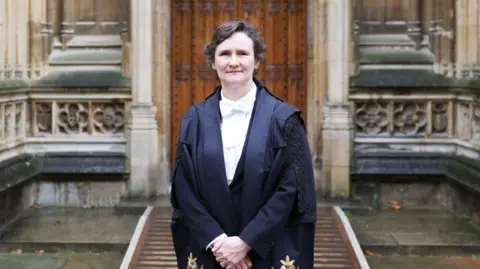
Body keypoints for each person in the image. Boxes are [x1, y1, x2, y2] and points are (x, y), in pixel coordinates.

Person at [170, 20, 317, 269]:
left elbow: (292, 189)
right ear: (212, 61)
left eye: (242, 53)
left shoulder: (285, 120)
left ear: (257, 61)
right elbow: (185, 188)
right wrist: (219, 242)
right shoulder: (193, 119)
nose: (233, 62)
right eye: (225, 53)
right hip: (213, 251)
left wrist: (246, 242)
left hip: (266, 250)